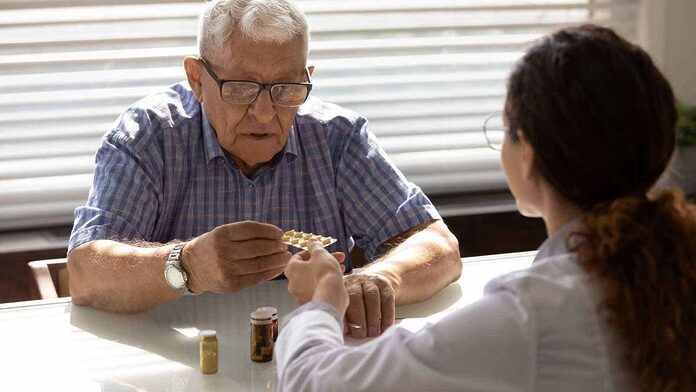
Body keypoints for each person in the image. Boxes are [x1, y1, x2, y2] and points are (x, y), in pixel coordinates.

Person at [277, 25, 696, 391]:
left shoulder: (529, 317)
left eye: (506, 129)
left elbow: (312, 383)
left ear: (528, 152)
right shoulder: (672, 263)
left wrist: (321, 302)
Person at [66, 0, 462, 337]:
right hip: (177, 361)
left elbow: (438, 247)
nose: (264, 113)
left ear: (308, 80)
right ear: (197, 79)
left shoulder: (336, 138)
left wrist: (379, 279)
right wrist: (188, 266)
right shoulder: (148, 137)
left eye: (286, 89)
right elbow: (85, 274)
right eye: (241, 88)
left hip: (315, 359)